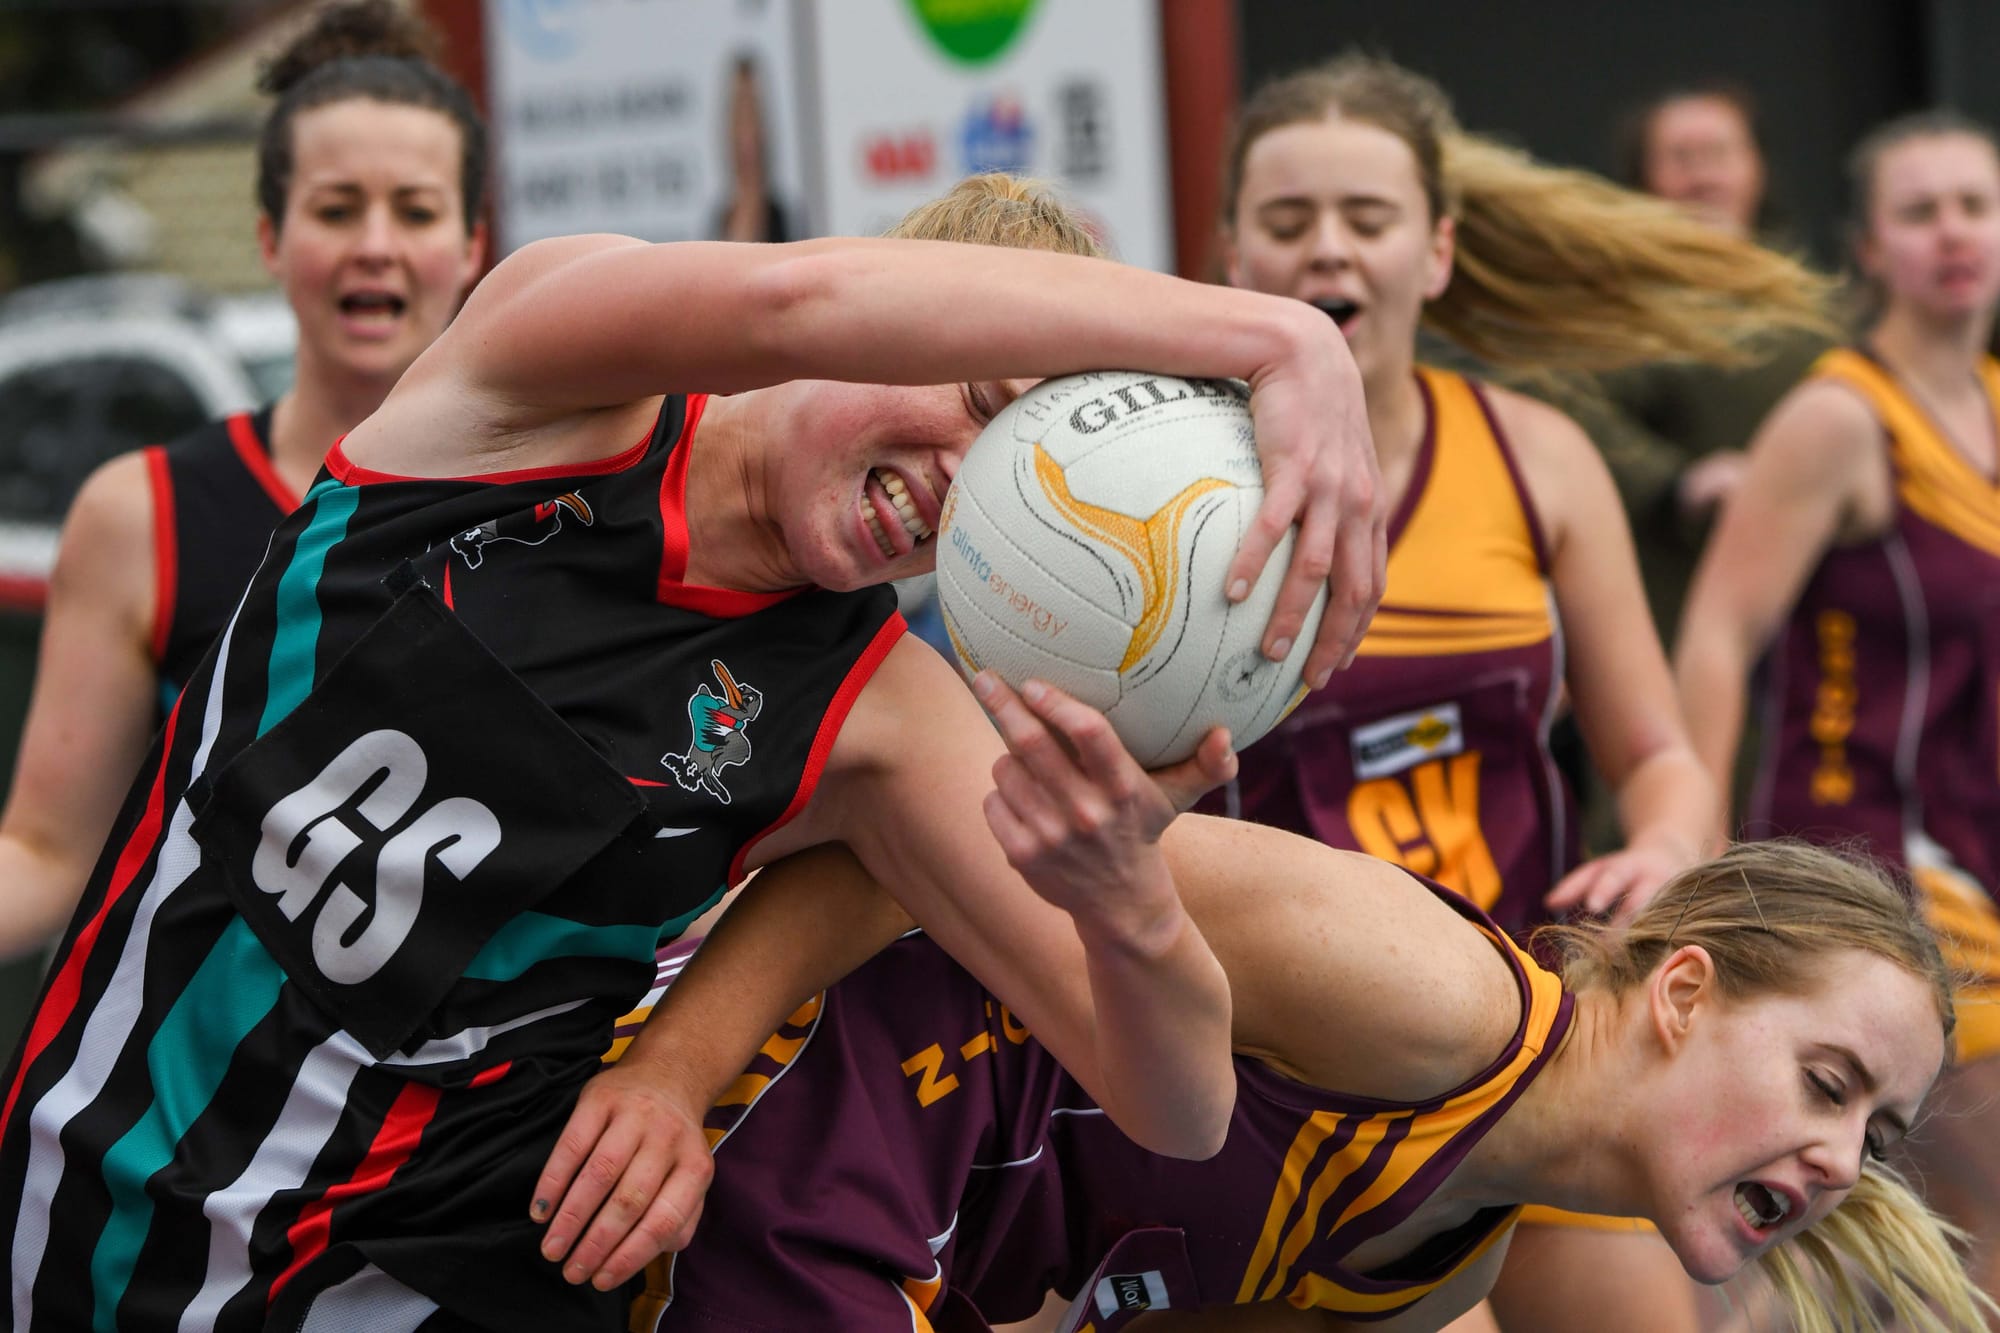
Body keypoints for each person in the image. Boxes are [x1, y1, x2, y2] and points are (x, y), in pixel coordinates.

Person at [0, 172, 1385, 1329]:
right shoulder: (538, 393)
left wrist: (1130, 899)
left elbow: (1180, 1102)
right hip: (93, 1189)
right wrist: (1283, 339)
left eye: (1031, 465)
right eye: (974, 395)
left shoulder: (880, 715)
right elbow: (795, 295)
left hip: (441, 1266)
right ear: (892, 319)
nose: (972, 479)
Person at [609, 675, 1991, 1333]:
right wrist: (672, 1074)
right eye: (1827, 1081)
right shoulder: (1420, 987)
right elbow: (897, 851)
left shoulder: (1446, 1265)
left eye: (1874, 1134)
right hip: (794, 1116)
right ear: (1683, 988)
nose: (1838, 1157)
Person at [1191, 56, 1833, 1332]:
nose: (1328, 251)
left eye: (1365, 221)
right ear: (1227, 252)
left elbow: (1654, 749)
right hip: (1296, 1085)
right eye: (1286, 220)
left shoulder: (1533, 457)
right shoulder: (1171, 489)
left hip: (1542, 1040)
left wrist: (1663, 843)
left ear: (1432, 252)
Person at [0, 0, 488, 964]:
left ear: (473, 244)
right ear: (270, 237)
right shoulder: (144, 515)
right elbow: (47, 850)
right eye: (337, 208)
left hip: (482, 1092)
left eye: (417, 209)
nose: (376, 243)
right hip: (211, 1086)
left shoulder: (554, 500)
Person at [1676, 110, 2000, 1300]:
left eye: (1973, 204)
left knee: (1873, 1242)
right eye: (1917, 213)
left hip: (1974, 849)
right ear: (1866, 249)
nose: (1952, 234)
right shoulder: (1838, 418)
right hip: (1865, 871)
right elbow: (1716, 631)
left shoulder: (1994, 405)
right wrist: (1694, 854)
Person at [1581, 84, 1833, 652]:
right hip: (1676, 593)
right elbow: (1574, 408)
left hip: (1820, 593)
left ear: (1756, 168)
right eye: (1681, 158)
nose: (1704, 177)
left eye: (1720, 154)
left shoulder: (1817, 295)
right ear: (1644, 179)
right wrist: (1675, 480)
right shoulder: (1610, 303)